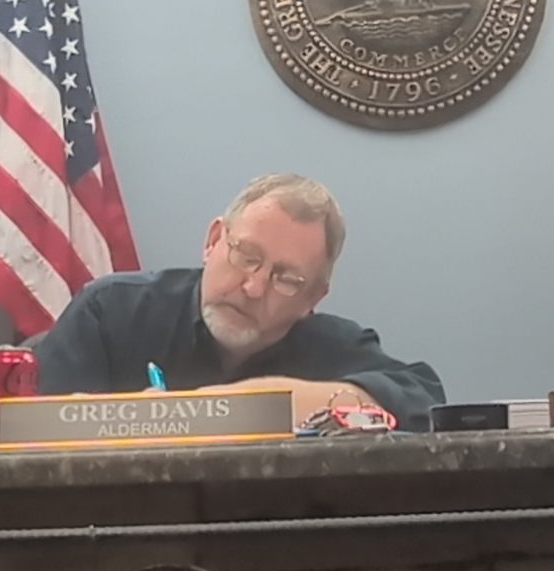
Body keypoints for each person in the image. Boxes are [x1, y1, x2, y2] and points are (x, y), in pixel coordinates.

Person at [32, 173, 444, 423]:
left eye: (287, 279)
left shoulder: (330, 345)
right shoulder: (112, 311)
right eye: (246, 256)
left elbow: (422, 399)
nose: (253, 287)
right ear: (213, 241)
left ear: (312, 299)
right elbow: (30, 431)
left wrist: (214, 409)